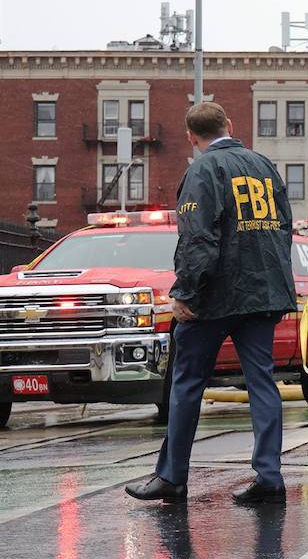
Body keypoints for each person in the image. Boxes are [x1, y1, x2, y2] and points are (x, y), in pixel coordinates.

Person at [126, 102, 296, 505]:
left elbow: (198, 238)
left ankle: (172, 477)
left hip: (216, 297)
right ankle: (269, 477)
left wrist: (185, 293)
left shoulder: (203, 170)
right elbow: (285, 228)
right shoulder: (264, 166)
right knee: (261, 382)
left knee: (187, 383)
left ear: (191, 136)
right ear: (230, 125)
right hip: (264, 292)